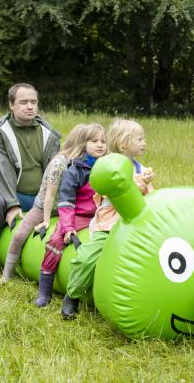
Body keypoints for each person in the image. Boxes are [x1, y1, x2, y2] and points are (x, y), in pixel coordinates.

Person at [61, 120, 154, 319]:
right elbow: (118, 190)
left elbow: (148, 198)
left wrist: (148, 186)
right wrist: (141, 183)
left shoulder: (141, 168)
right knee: (87, 257)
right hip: (110, 222)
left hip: (135, 222)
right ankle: (72, 295)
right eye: (139, 139)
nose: (144, 143)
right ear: (123, 143)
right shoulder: (109, 165)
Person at [0, 124, 98, 287]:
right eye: (90, 142)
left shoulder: (84, 164)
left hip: (68, 208)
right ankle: (7, 274)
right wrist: (46, 220)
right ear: (80, 144)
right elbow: (50, 195)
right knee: (19, 235)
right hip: (44, 207)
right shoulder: (61, 162)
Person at [0, 83, 61, 276]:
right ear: (11, 105)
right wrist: (12, 204)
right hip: (11, 193)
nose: (30, 106)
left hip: (40, 198)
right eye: (23, 102)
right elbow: (1, 171)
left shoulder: (49, 134)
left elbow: (56, 171)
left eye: (33, 102)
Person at [34, 124, 107, 307]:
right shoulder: (75, 169)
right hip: (79, 215)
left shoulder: (107, 167)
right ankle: (45, 291)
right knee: (56, 241)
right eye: (94, 141)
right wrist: (68, 227)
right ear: (84, 144)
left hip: (102, 215)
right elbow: (66, 202)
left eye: (103, 141)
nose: (100, 145)